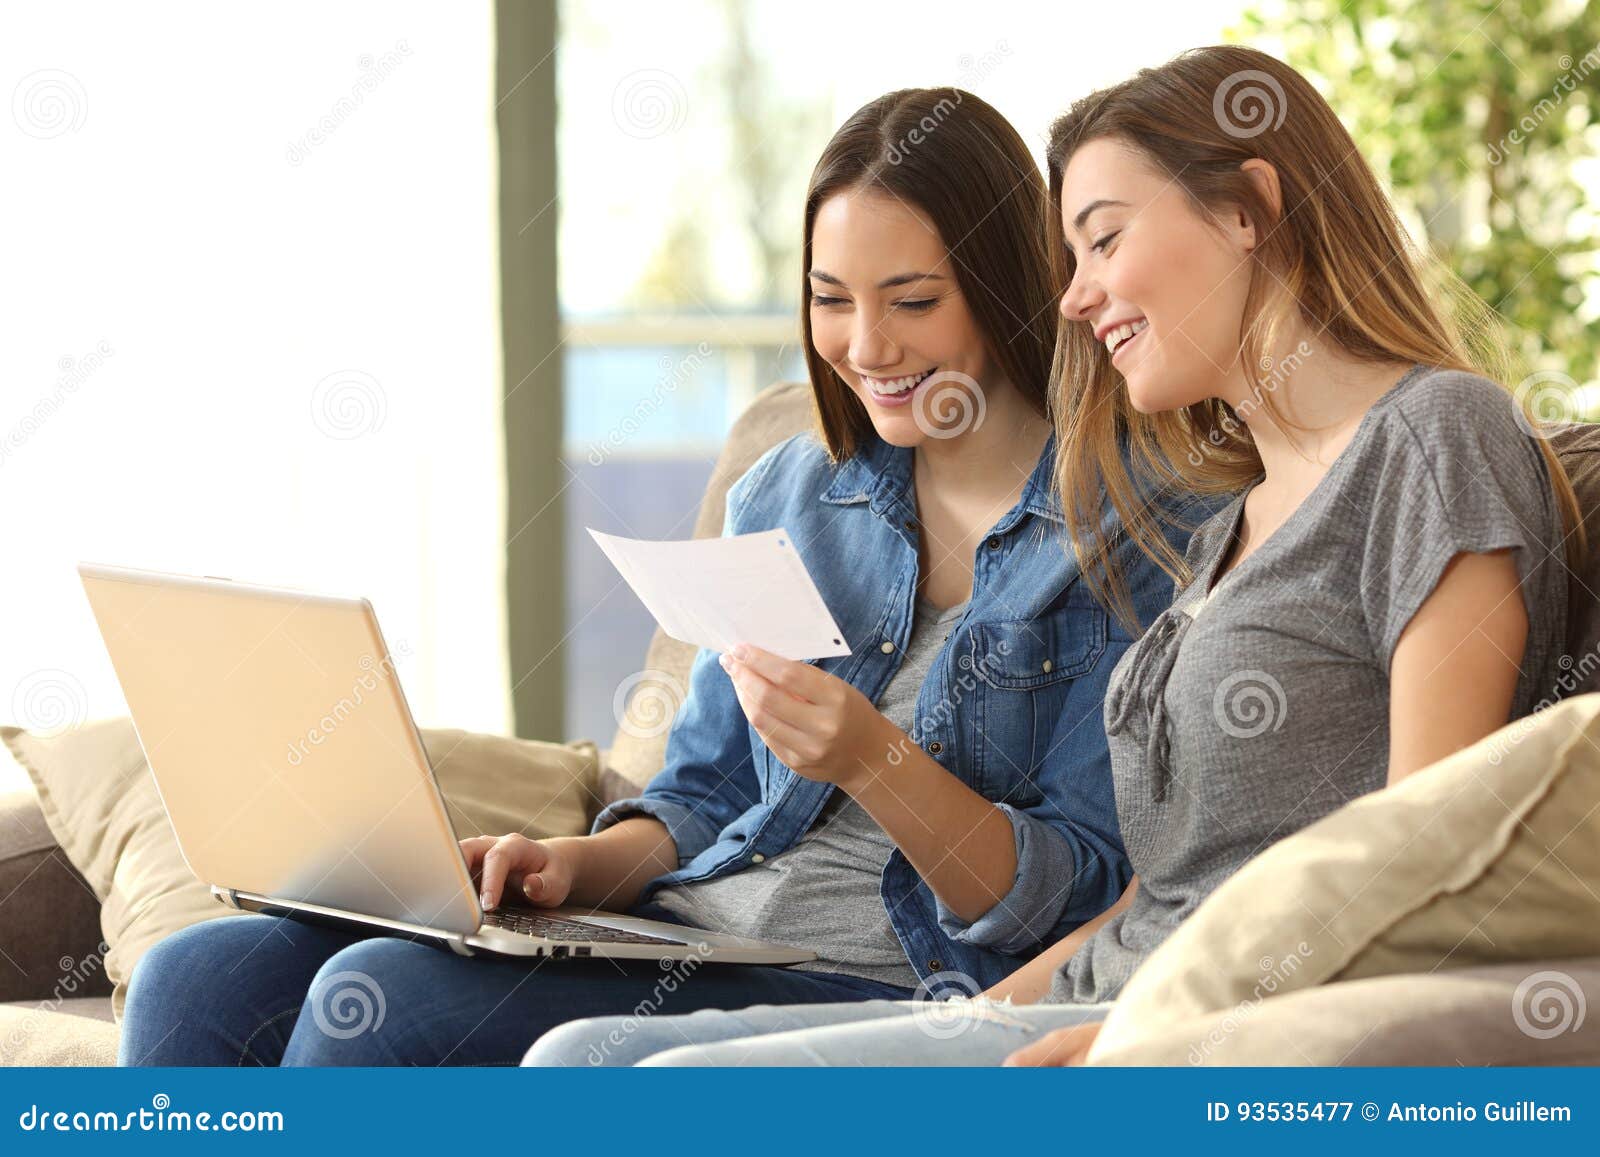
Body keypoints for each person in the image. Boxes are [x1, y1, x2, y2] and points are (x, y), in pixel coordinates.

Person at [521, 43, 1583, 1069]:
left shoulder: (1435, 434)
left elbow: (1425, 854)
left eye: (1104, 239)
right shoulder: (1230, 523)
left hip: (1174, 1024)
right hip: (1079, 995)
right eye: (1068, 258)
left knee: (613, 1078)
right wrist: (961, 1029)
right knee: (581, 1059)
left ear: (1248, 208)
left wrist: (1159, 1036)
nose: (1072, 296)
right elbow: (1151, 896)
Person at [118, 87, 1201, 1067]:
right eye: (831, 299)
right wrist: (571, 865)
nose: (865, 344)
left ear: (1006, 284)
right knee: (199, 971)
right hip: (694, 933)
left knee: (383, 997)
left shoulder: (1138, 533)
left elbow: (1074, 894)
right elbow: (706, 789)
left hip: (872, 978)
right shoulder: (793, 489)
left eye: (911, 300)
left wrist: (874, 760)